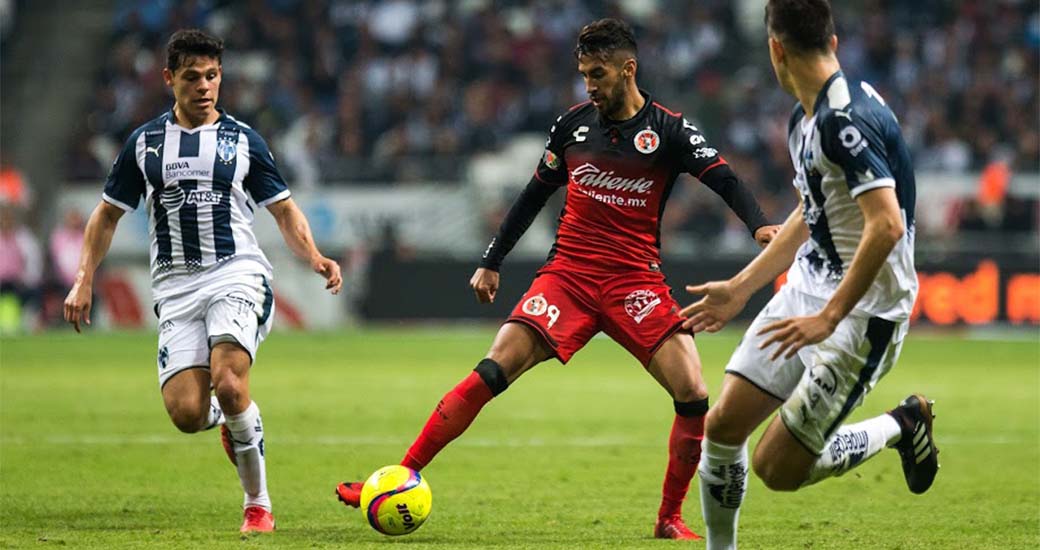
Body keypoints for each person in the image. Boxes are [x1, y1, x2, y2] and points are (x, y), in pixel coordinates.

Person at [336, 18, 780, 540]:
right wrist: (492, 259)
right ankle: (397, 476)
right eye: (583, 74)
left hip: (633, 281)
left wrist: (760, 226)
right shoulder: (572, 126)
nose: (589, 84)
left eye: (597, 73)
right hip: (567, 276)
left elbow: (723, 178)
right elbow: (532, 195)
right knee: (493, 367)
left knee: (693, 392)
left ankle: (668, 518)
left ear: (627, 68)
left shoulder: (670, 129)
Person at [680, 1, 939, 548]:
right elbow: (814, 209)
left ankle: (902, 424)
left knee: (777, 467)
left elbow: (886, 225)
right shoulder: (807, 116)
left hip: (862, 313)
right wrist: (740, 288)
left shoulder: (843, 121)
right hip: (808, 288)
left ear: (775, 50)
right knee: (723, 426)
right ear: (833, 43)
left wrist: (829, 316)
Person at [64, 29, 342, 534]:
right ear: (170, 79)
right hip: (174, 289)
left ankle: (257, 504)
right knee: (186, 413)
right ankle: (229, 421)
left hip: (236, 273)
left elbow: (284, 211)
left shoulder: (242, 141)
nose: (204, 86)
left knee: (233, 384)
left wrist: (315, 256)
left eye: (212, 76)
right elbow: (105, 217)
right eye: (192, 77)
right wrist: (84, 278)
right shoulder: (145, 144)